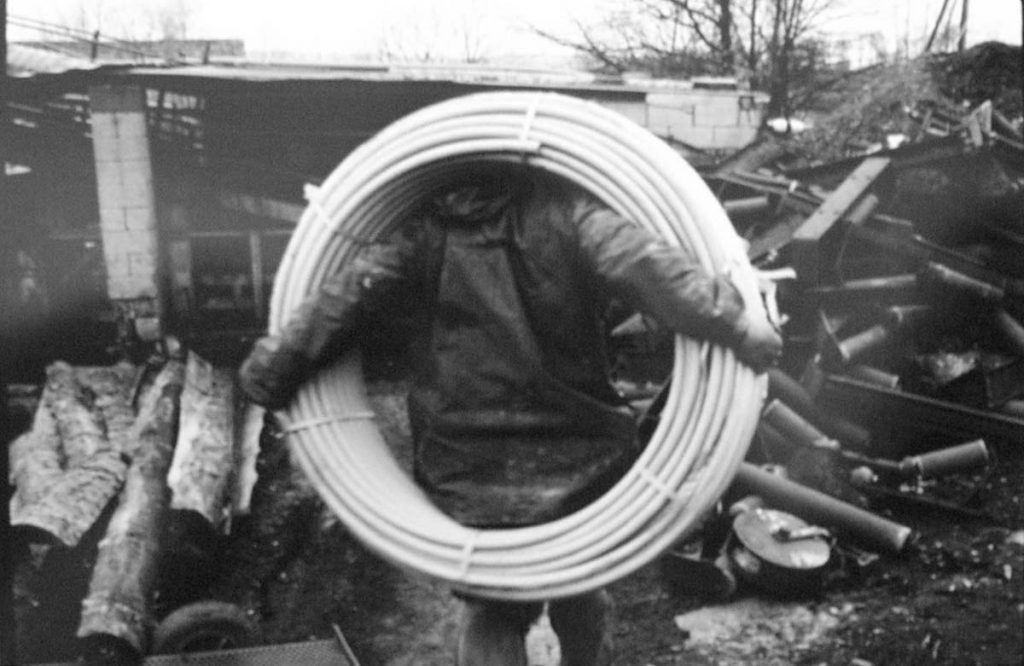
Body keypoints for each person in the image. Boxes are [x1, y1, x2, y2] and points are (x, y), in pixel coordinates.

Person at [238, 165, 782, 665]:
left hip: (465, 466)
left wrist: (269, 372)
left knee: (492, 607)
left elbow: (342, 301)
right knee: (582, 586)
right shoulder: (570, 216)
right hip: (580, 455)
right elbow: (654, 272)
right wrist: (740, 326)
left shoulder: (424, 233)